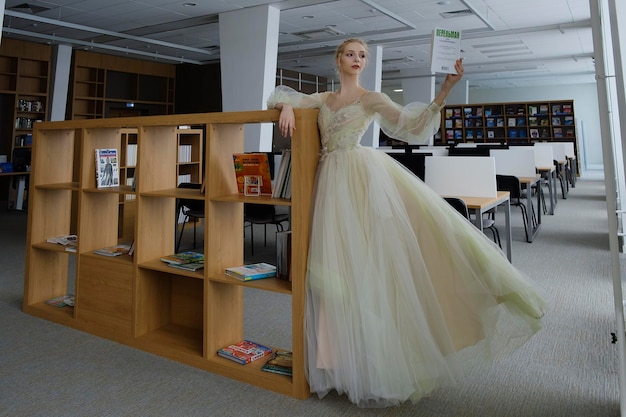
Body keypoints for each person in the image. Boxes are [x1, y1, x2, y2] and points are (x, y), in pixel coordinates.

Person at [267, 38, 545, 408]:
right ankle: (336, 363)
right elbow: (281, 97)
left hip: (357, 180)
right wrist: (286, 105)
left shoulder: (370, 98)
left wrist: (446, 88)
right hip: (327, 183)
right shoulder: (324, 99)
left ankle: (374, 364)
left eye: (362, 55)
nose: (357, 60)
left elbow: (410, 125)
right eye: (351, 54)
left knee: (369, 269)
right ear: (338, 60)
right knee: (331, 274)